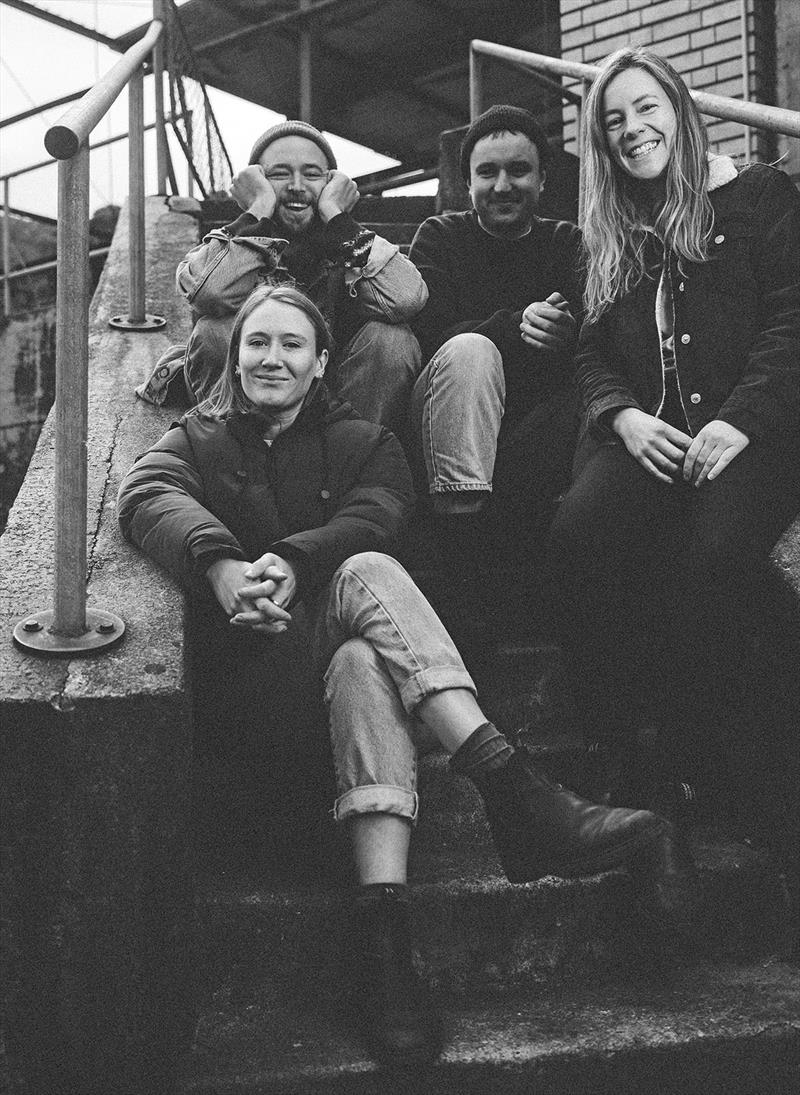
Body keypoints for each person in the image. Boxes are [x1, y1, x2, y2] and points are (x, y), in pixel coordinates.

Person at [119, 284, 678, 1068]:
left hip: (353, 723)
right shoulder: (198, 438)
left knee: (359, 640)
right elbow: (144, 493)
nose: (271, 357)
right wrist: (222, 568)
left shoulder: (363, 440)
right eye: (257, 343)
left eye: (291, 345)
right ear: (236, 355)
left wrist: (295, 556)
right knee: (364, 578)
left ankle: (385, 946)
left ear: (321, 365)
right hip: (260, 697)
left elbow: (381, 509)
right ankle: (513, 786)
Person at [544, 48, 800, 825]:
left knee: (717, 554)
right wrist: (620, 415)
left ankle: (713, 759)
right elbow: (589, 351)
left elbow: (792, 315)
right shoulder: (609, 229)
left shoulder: (756, 194)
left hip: (754, 431)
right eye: (613, 119)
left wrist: (740, 418)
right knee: (576, 533)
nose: (632, 129)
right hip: (653, 432)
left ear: (681, 111)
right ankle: (625, 754)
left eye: (646, 108)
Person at [137, 120, 426, 433]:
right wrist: (258, 209)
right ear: (256, 181)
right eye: (280, 173)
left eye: (312, 174)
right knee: (216, 331)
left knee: (394, 341)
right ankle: (239, 459)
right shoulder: (228, 243)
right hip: (252, 399)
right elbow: (211, 294)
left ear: (332, 185)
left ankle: (355, 458)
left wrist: (339, 221)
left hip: (338, 401)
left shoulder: (352, 243)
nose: (297, 186)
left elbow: (407, 298)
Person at [408, 105, 583, 583]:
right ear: (467, 184)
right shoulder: (439, 237)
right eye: (487, 172)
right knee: (470, 351)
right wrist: (513, 328)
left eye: (519, 170)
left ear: (543, 179)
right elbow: (426, 337)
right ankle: (462, 541)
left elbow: (596, 336)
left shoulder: (568, 243)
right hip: (447, 413)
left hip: (536, 427)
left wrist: (568, 335)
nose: (503, 185)